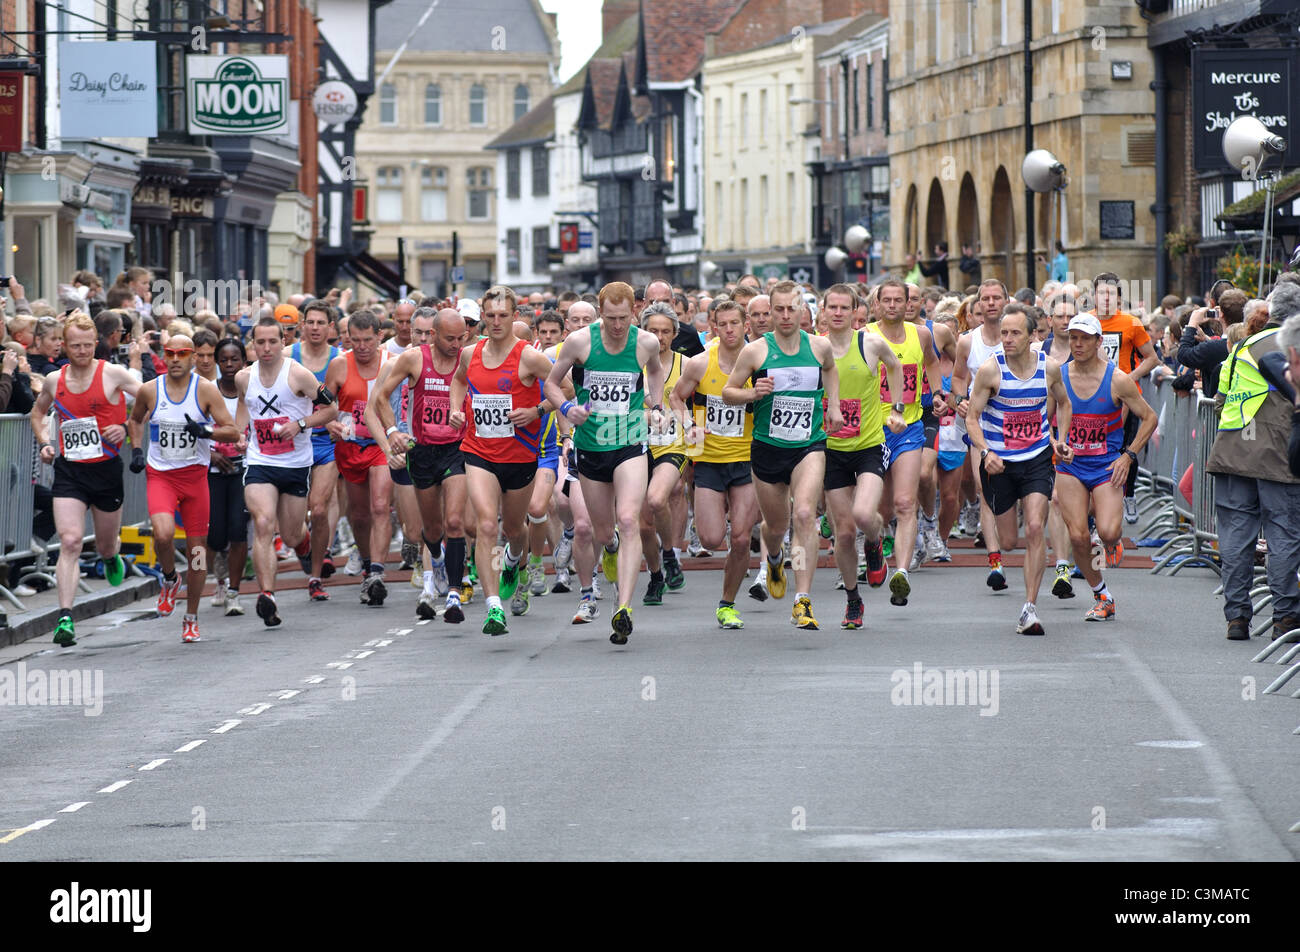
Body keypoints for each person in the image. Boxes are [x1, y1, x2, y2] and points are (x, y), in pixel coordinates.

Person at [545, 281, 665, 645]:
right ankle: (609, 548)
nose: (617, 325)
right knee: (601, 531)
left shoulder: (646, 343)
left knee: (629, 519)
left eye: (624, 318)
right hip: (591, 446)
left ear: (634, 312)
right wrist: (568, 409)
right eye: (610, 318)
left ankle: (623, 607)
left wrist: (656, 407)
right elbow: (551, 384)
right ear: (600, 314)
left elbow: (656, 371)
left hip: (628, 441)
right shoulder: (580, 342)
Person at [722, 281, 842, 630]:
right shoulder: (755, 352)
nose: (786, 315)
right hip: (768, 448)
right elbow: (729, 392)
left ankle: (802, 600)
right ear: (769, 313)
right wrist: (751, 393)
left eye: (793, 309)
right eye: (780, 310)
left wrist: (832, 405)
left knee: (805, 513)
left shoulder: (819, 347)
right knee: (775, 526)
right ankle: (774, 557)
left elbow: (831, 371)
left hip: (809, 444)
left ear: (804, 311)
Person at [29, 313, 142, 646]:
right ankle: (65, 617)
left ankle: (110, 557)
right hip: (70, 471)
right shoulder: (54, 380)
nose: (80, 351)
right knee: (70, 542)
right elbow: (38, 413)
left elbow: (148, 399)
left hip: (106, 470)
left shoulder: (113, 374)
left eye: (86, 345)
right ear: (64, 345)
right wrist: (45, 443)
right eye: (74, 345)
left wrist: (124, 427)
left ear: (96, 343)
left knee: (105, 543)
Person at [452, 286, 555, 636]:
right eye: (490, 315)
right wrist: (455, 408)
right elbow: (458, 381)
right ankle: (493, 606)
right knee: (485, 524)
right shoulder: (470, 353)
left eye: (503, 315)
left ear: (515, 316)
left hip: (520, 456)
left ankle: (514, 561)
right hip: (479, 451)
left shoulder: (529, 356)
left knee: (515, 529)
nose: (496, 322)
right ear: (483, 316)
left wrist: (537, 409)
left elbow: (565, 390)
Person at [965, 304, 1073, 636]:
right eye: (1004, 334)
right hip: (999, 463)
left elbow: (1064, 403)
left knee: (1037, 527)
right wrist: (985, 452)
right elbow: (971, 418)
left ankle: (1029, 608)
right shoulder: (990, 371)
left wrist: (1061, 440)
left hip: (1037, 457)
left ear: (1032, 336)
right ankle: (1013, 564)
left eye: (1015, 333)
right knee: (1010, 541)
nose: (1007, 340)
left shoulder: (1049, 368)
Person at [126, 335, 239, 642]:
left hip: (194, 479)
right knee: (162, 533)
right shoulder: (151, 390)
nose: (175, 358)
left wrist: (204, 430)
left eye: (182, 353)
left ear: (192, 358)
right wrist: (137, 450)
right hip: (161, 475)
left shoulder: (205, 390)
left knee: (198, 552)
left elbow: (232, 431)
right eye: (170, 353)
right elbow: (135, 420)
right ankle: (170, 578)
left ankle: (191, 617)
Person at [1206, 282, 1300, 642]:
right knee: (1282, 533)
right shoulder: (1288, 346)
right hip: (1276, 453)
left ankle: (1237, 618)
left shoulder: (1241, 346)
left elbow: (1220, 398)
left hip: (1232, 450)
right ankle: (1286, 616)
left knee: (1236, 536)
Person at [236, 315, 339, 627]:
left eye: (272, 341)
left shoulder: (299, 375)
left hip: (295, 464)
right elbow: (244, 404)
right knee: (264, 523)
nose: (266, 348)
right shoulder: (244, 377)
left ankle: (305, 545)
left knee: (292, 535)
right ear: (252, 345)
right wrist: (242, 432)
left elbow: (332, 408)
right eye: (260, 342)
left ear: (283, 342)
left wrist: (300, 424)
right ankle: (267, 595)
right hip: (259, 462)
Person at [369, 307, 471, 622]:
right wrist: (392, 432)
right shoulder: (414, 359)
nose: (455, 345)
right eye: (449, 339)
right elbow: (381, 398)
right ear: (434, 335)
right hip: (422, 452)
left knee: (454, 522)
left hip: (457, 449)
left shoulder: (468, 357)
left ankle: (454, 593)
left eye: (460, 338)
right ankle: (437, 560)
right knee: (430, 529)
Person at [1054, 314, 1157, 625]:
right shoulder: (1058, 376)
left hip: (1105, 466)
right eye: (1073, 337)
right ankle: (1102, 596)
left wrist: (1127, 456)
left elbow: (1149, 417)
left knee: (1109, 531)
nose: (1078, 343)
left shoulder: (1118, 379)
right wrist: (1056, 442)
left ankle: (1111, 539)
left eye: (1085, 338)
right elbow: (1043, 418)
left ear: (1100, 342)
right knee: (1078, 536)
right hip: (1071, 466)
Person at [820, 284, 906, 628]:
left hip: (869, 444)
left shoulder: (868, 342)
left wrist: (897, 409)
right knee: (841, 533)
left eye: (845, 307)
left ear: (857, 311)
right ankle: (853, 600)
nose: (838, 313)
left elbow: (896, 367)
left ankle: (875, 539)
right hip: (830, 450)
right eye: (833, 307)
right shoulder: (815, 348)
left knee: (862, 513)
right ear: (823, 312)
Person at [669, 301, 758, 629]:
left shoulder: (758, 362)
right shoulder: (700, 363)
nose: (731, 329)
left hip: (747, 458)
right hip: (707, 458)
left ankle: (727, 604)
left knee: (740, 538)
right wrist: (689, 423)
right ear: (714, 328)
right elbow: (675, 397)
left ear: (745, 324)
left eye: (736, 322)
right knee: (709, 539)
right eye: (724, 324)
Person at [866, 277, 949, 606]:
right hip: (872, 430)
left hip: (909, 427)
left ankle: (900, 572)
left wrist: (939, 391)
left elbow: (931, 361)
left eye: (897, 300)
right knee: (879, 511)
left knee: (904, 503)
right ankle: (874, 544)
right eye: (885, 300)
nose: (891, 306)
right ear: (876, 305)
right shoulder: (866, 337)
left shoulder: (922, 334)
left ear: (908, 304)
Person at [1087, 272, 1158, 524]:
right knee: (1096, 450)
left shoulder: (1131, 323)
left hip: (1127, 398)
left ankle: (1128, 494)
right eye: (1101, 293)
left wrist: (1130, 377)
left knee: (1126, 448)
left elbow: (1152, 358)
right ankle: (1096, 505)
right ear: (1093, 296)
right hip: (1092, 397)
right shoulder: (1085, 322)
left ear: (1118, 298)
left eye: (1111, 294)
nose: (1105, 298)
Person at [638, 302, 689, 606]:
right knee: (644, 524)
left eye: (665, 331)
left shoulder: (686, 364)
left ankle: (669, 552)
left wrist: (692, 430)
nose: (659, 337)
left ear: (674, 333)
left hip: (672, 445)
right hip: (635, 444)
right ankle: (657, 574)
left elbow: (698, 405)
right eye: (653, 331)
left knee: (657, 499)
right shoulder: (632, 364)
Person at [290, 302, 342, 594]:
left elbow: (347, 401)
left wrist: (340, 422)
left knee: (319, 508)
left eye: (321, 322)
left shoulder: (339, 359)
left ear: (330, 326)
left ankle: (316, 574)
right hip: (293, 442)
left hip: (325, 442)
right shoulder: (288, 357)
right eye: (310, 322)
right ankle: (305, 545)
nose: (314, 327)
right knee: (292, 523)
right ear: (302, 325)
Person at [207, 338, 251, 616]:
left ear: (244, 361)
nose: (230, 365)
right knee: (212, 535)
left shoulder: (252, 389)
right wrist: (211, 455)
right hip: (211, 469)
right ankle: (213, 578)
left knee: (237, 529)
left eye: (235, 359)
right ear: (217, 362)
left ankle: (234, 591)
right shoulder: (207, 391)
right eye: (224, 360)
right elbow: (194, 428)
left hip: (243, 468)